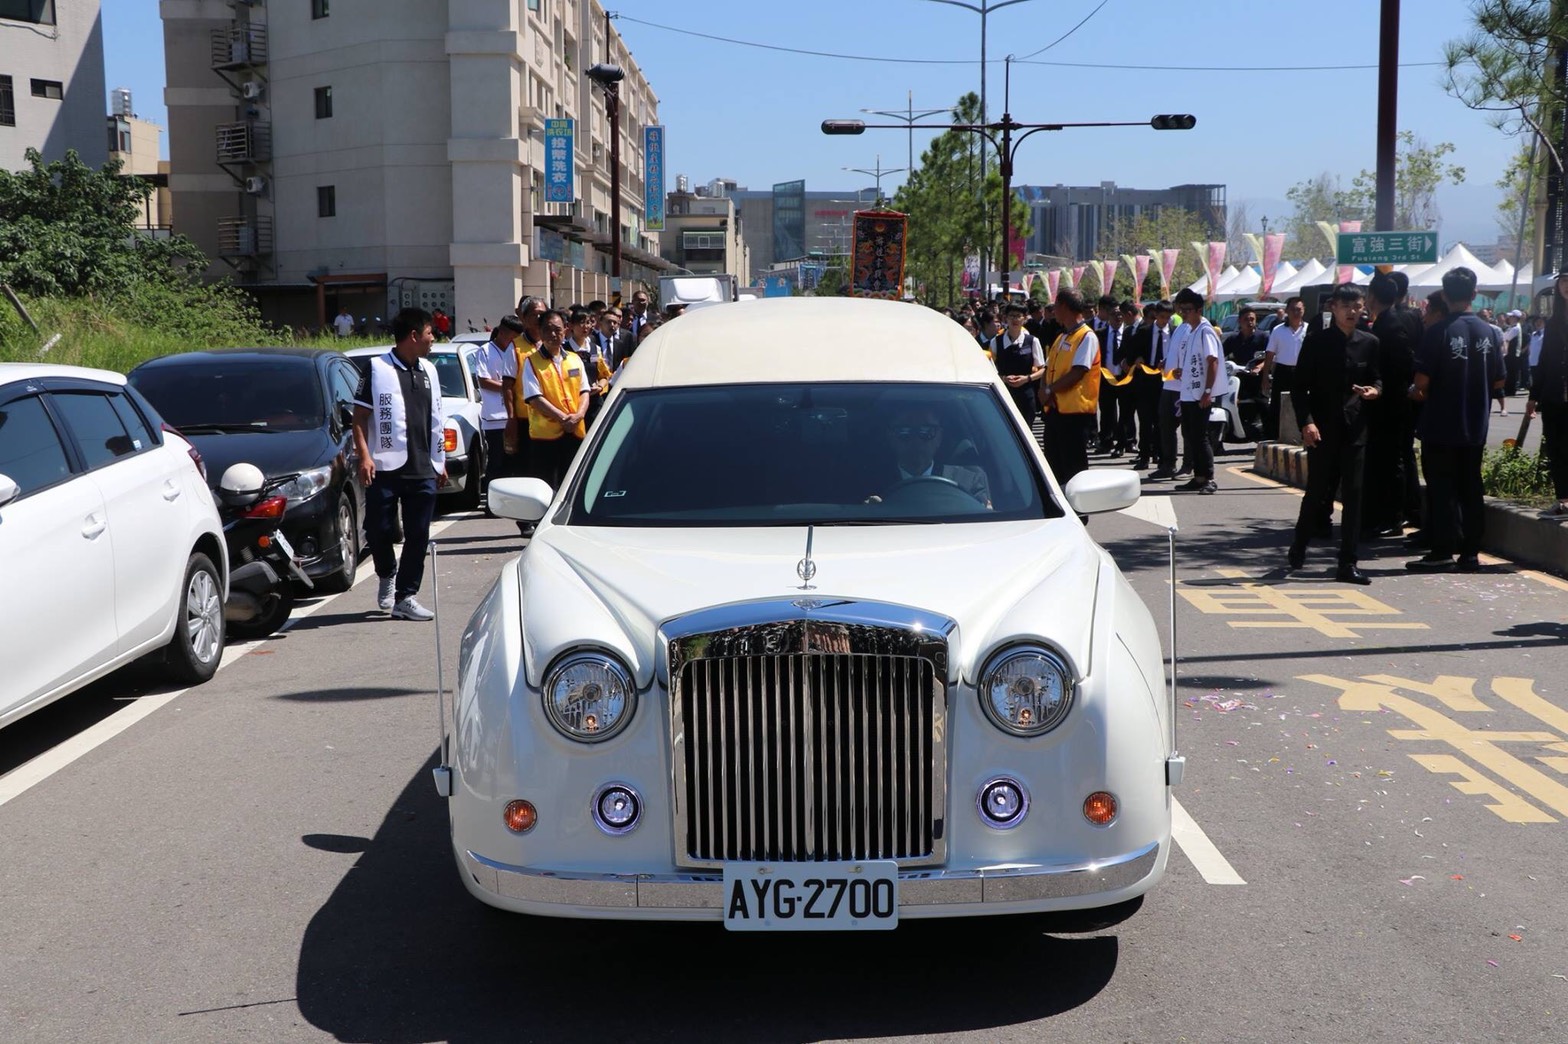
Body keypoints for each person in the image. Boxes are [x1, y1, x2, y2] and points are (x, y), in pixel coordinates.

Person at [1407, 267, 1506, 572]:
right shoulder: (1490, 332)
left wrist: (1415, 393)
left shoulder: (1438, 332)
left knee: (1442, 490)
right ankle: (1470, 553)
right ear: (1474, 295)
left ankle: (1442, 550)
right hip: (1475, 425)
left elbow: (1421, 383)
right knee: (1471, 488)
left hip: (1440, 425)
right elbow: (1499, 382)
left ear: (1445, 295)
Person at [351, 307, 446, 621]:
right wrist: (364, 456)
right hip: (385, 467)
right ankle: (386, 572)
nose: (434, 339)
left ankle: (406, 596)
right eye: (431, 333)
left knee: (418, 534)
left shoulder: (430, 370)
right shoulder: (376, 369)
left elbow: (436, 420)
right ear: (414, 336)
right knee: (377, 530)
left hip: (422, 467)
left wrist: (440, 460)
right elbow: (360, 419)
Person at [1286, 285, 1382, 584]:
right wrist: (1307, 422)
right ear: (1333, 307)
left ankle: (1348, 563)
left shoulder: (1370, 342)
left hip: (1356, 430)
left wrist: (1375, 390)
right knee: (1317, 492)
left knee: (1354, 497)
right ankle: (1300, 545)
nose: (1352, 311)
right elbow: (1300, 388)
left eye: (1357, 305)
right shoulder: (1317, 341)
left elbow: (1377, 377)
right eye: (1346, 306)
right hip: (1323, 430)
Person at [1362, 271, 1423, 537]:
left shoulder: (1392, 325)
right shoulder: (1386, 321)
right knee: (1386, 460)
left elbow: (1401, 367)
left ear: (1372, 297)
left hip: (1393, 405)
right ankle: (1385, 514)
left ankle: (1394, 517)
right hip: (1386, 403)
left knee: (1393, 461)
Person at [1038, 288, 1101, 492]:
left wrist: (1049, 391)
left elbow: (1078, 372)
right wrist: (1043, 389)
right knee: (1054, 465)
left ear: (1064, 306)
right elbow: (1048, 368)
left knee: (1074, 468)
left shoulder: (1086, 337)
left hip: (1075, 413)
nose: (1053, 311)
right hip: (1056, 411)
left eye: (1055, 306)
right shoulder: (1062, 337)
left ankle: (1079, 512)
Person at [865, 406, 991, 508]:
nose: (916, 440)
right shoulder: (868, 483)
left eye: (926, 431)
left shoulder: (968, 482)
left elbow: (986, 525)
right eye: (904, 431)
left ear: (939, 437)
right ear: (890, 437)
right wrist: (869, 513)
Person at [522, 309, 591, 489]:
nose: (553, 334)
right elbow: (535, 398)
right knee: (546, 489)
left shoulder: (575, 359)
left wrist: (578, 415)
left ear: (566, 330)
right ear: (540, 331)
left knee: (574, 486)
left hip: (575, 433)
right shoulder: (531, 362)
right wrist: (563, 418)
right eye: (548, 329)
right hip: (546, 439)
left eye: (557, 329)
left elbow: (584, 391)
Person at [1525, 272, 1568, 519]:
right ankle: (1563, 500)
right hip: (1554, 396)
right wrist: (1533, 395)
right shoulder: (1552, 323)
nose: (1566, 286)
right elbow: (1544, 361)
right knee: (1556, 448)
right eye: (1563, 281)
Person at [1172, 288, 1224, 494]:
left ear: (1198, 310)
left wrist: (1208, 391)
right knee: (1191, 435)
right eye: (1181, 309)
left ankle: (1209, 477)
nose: (1183, 313)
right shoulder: (1190, 331)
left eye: (1188, 309)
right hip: (1188, 391)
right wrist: (1181, 371)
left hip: (1200, 393)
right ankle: (1199, 476)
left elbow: (1212, 361)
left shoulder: (1205, 330)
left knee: (1200, 436)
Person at [471, 315, 522, 513]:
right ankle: (491, 506)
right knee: (496, 463)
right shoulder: (485, 351)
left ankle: (511, 505)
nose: (516, 340)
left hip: (514, 416)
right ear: (504, 333)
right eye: (514, 336)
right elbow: (484, 381)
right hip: (494, 419)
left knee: (514, 464)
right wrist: (509, 387)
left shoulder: (515, 350)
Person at [990, 304, 1045, 431]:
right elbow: (990, 369)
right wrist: (1003, 379)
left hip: (1026, 393)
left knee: (1025, 431)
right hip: (1004, 393)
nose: (1015, 319)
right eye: (1011, 316)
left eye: (1018, 316)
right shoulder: (996, 342)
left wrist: (1027, 379)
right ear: (1005, 318)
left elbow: (1042, 369)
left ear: (1024, 319)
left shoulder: (1032, 341)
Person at [1262, 296, 1307, 440]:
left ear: (1304, 310)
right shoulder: (1278, 330)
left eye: (1299, 309)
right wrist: (1265, 378)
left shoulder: (1308, 329)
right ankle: (1274, 436)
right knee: (1277, 405)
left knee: (1302, 404)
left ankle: (1301, 436)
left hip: (1302, 371)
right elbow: (1269, 355)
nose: (1296, 312)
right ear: (1287, 311)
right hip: (1282, 371)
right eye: (1293, 309)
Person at [566, 306, 613, 428]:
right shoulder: (564, 350)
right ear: (571, 326)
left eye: (588, 322)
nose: (585, 327)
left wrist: (599, 386)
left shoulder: (595, 348)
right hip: (573, 403)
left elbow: (604, 375)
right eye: (581, 323)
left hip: (594, 403)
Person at [1093, 295, 1125, 455]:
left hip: (1124, 377)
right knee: (1106, 411)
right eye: (1114, 315)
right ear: (1109, 316)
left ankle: (1124, 442)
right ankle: (1106, 441)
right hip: (1106, 377)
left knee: (1125, 412)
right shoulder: (1100, 333)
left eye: (1121, 315)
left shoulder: (1128, 333)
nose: (1118, 318)